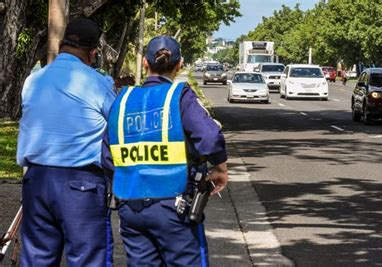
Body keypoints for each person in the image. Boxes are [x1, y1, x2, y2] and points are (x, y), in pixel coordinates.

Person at [102, 35, 228, 266]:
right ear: (180, 65)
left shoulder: (123, 100)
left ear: (145, 64)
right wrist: (220, 168)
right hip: (174, 207)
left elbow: (108, 157)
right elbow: (209, 137)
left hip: (131, 207)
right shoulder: (179, 97)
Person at [17, 18, 116, 266]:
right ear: (93, 53)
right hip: (81, 185)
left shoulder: (33, 81)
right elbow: (116, 127)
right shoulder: (97, 82)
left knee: (37, 259)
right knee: (88, 259)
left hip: (37, 181)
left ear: (62, 44)